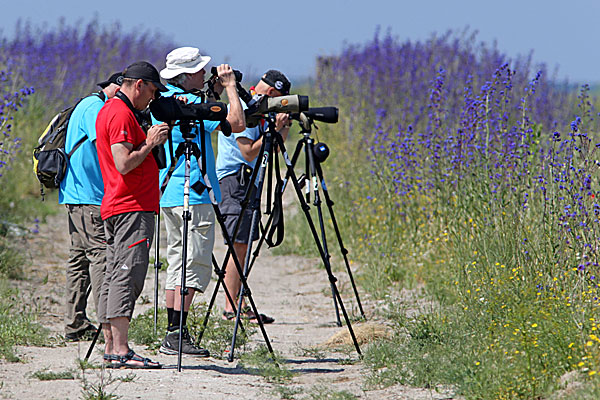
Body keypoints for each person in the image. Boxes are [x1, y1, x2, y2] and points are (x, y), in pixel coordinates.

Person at [152, 47, 245, 356]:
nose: (206, 73)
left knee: (177, 259)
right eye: (201, 70)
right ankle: (176, 334)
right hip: (195, 192)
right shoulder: (194, 106)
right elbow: (237, 123)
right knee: (194, 261)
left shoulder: (165, 104)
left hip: (168, 192)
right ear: (187, 75)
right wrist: (230, 88)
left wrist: (212, 92)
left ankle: (173, 331)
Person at [96, 61, 169, 369]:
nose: (152, 99)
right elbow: (124, 162)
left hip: (120, 204)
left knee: (114, 274)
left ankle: (112, 347)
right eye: (152, 91)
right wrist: (150, 143)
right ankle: (120, 349)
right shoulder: (121, 113)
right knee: (128, 273)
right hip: (130, 206)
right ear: (138, 85)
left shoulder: (113, 110)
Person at [216, 70, 291, 323]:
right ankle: (231, 304)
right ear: (271, 94)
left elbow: (275, 147)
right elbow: (248, 152)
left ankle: (239, 300)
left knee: (244, 244)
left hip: (248, 180)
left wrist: (282, 127)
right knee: (238, 244)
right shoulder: (244, 108)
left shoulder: (259, 110)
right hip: (235, 179)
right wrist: (272, 131)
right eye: (280, 100)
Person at [59, 72, 122, 341]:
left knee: (79, 259)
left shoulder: (88, 103)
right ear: (117, 89)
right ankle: (107, 325)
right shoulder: (96, 108)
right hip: (88, 196)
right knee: (101, 257)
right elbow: (106, 146)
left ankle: (76, 323)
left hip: (76, 194)